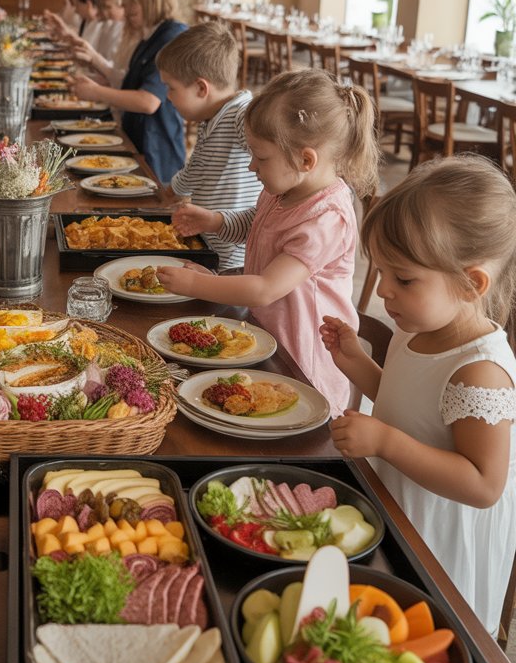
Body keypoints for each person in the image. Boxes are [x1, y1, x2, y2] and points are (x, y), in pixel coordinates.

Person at [320, 155, 516, 636]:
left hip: (439, 537)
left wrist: (385, 443)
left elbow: (482, 485)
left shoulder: (480, 372)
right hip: (399, 500)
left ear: (472, 283)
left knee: (420, 631)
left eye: (403, 278)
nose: (383, 290)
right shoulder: (421, 323)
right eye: (382, 271)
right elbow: (410, 404)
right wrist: (358, 364)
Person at [158, 68, 380, 415]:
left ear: (306, 159)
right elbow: (257, 225)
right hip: (265, 340)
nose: (251, 166)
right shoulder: (281, 189)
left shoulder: (327, 218)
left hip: (301, 363)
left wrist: (198, 284)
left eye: (261, 157)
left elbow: (265, 289)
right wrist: (216, 220)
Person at [155, 22, 262, 270]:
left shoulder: (241, 115)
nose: (168, 96)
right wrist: (172, 190)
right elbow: (197, 167)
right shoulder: (211, 116)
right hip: (210, 240)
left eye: (171, 87)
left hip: (233, 253)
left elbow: (270, 153)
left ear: (201, 88)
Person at [71, 0, 189, 183]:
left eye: (129, 2)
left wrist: (97, 92)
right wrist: (95, 81)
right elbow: (131, 84)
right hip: (137, 140)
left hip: (157, 148)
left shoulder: (170, 37)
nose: (124, 9)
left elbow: (148, 101)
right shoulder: (149, 35)